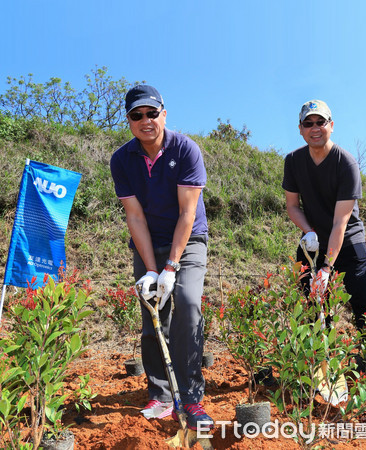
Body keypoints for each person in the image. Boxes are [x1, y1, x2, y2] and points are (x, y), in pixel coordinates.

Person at [110, 84, 213, 430]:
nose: (145, 120)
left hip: (189, 238)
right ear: (129, 121)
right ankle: (162, 393)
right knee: (153, 311)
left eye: (152, 113)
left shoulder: (186, 150)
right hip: (148, 239)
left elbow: (188, 213)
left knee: (186, 302)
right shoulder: (122, 160)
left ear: (163, 114)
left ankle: (191, 396)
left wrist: (170, 267)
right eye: (137, 115)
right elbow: (135, 217)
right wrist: (151, 272)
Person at [282, 100, 366, 360]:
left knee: (361, 299)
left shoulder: (345, 163)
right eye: (308, 123)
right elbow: (292, 206)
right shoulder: (293, 161)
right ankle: (319, 361)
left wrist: (326, 268)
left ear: (331, 126)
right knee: (310, 301)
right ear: (300, 129)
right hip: (313, 240)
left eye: (320, 122)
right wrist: (307, 231)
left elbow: (341, 222)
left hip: (346, 240)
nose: (315, 128)